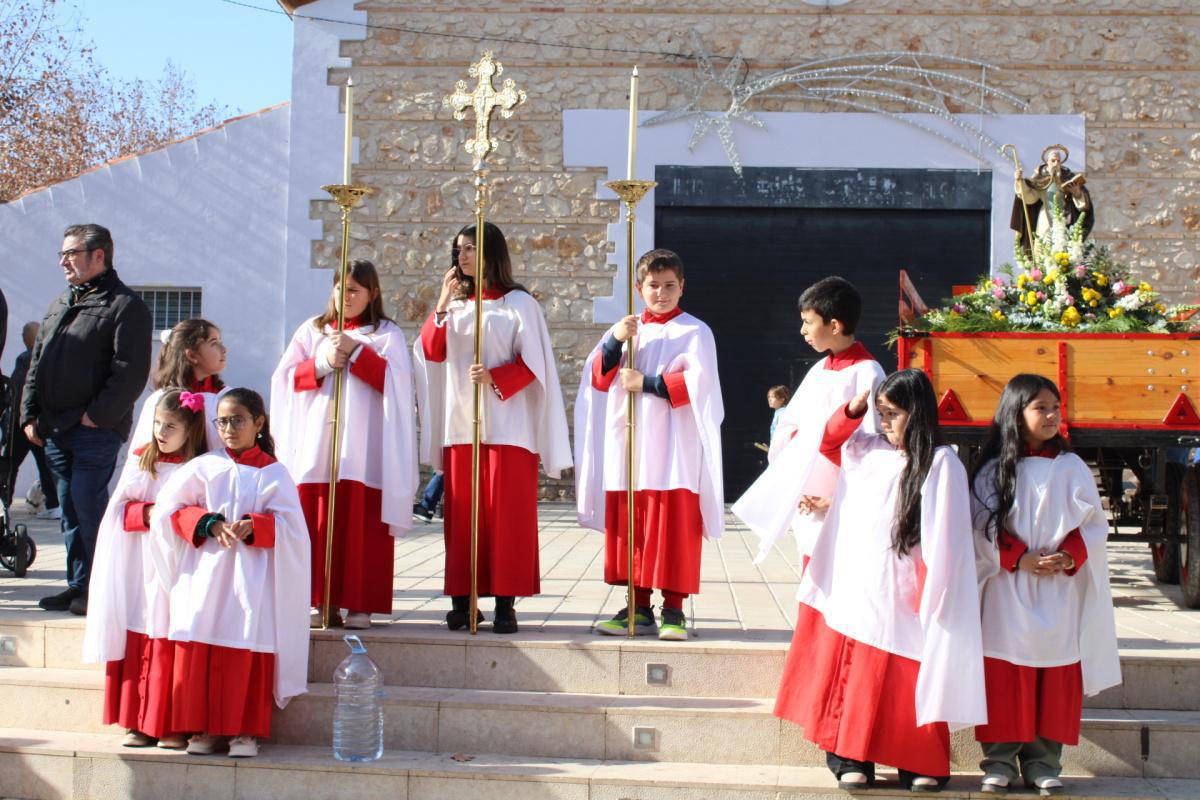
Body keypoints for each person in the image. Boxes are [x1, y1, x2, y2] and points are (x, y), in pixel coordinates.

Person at [774, 369, 986, 792]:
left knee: (911, 676)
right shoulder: (864, 450)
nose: (884, 422)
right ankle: (851, 758)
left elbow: (948, 535)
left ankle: (918, 760)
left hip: (910, 588)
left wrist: (936, 589)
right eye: (880, 412)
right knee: (855, 674)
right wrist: (854, 409)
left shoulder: (941, 462)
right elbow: (828, 441)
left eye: (893, 413)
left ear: (918, 413)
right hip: (859, 583)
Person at [412, 222, 572, 634]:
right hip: (462, 427)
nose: (462, 256)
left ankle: (505, 604)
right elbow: (431, 351)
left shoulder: (520, 304)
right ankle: (462, 602)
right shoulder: (456, 306)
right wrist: (444, 302)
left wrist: (497, 377)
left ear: (491, 253)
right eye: (458, 249)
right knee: (463, 517)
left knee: (507, 520)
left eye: (470, 249)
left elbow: (536, 364)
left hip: (509, 428)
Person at [969, 374, 1120, 796]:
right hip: (1007, 589)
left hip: (1058, 589)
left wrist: (1069, 554)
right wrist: (1018, 556)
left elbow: (1092, 524)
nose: (1052, 415)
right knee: (1005, 675)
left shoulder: (1071, 467)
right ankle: (998, 760)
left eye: (1056, 407)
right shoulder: (994, 470)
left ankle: (1043, 762)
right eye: (1040, 407)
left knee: (1052, 675)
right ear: (1015, 414)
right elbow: (979, 524)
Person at [149, 388, 309, 758]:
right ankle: (202, 729)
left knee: (244, 644)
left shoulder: (274, 473)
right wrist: (206, 522)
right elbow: (169, 511)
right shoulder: (204, 466)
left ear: (258, 422)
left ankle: (244, 732)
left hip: (250, 579)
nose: (228, 428)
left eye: (238, 420)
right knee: (198, 640)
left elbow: (294, 531)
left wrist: (256, 526)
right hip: (203, 574)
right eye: (222, 421)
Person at [574, 249, 724, 641]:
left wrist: (649, 383)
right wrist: (614, 343)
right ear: (640, 288)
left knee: (672, 525)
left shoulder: (696, 331)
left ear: (682, 286)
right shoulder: (626, 329)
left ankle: (673, 609)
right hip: (630, 444)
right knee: (634, 525)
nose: (661, 293)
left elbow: (701, 387)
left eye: (670, 285)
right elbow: (596, 377)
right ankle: (637, 607)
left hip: (674, 444)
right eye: (653, 286)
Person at [271, 260, 418, 631]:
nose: (345, 296)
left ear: (373, 294)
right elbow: (286, 378)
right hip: (318, 444)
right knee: (317, 521)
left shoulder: (386, 334)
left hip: (365, 448)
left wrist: (357, 352)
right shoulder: (313, 330)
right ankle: (318, 598)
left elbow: (398, 386)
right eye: (340, 288)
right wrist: (322, 361)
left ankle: (359, 602)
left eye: (354, 290)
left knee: (362, 523)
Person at [22, 224, 152, 616]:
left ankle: (99, 589)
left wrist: (98, 417)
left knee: (88, 507)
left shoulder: (125, 305)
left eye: (72, 252)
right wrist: (30, 414)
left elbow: (129, 371)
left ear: (100, 255)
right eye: (62, 253)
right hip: (54, 429)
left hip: (93, 432)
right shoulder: (61, 302)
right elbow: (36, 363)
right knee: (70, 511)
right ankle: (78, 584)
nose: (63, 260)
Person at [82, 389, 207, 750]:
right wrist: (147, 514)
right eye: (157, 425)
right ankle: (138, 720)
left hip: (179, 565)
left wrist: (176, 518)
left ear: (190, 430)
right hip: (140, 565)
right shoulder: (143, 462)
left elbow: (203, 513)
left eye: (170, 426)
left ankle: (171, 722)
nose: (161, 433)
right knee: (141, 634)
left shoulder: (198, 468)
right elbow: (119, 511)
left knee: (172, 637)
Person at [732, 277, 885, 569]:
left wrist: (836, 497)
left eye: (808, 322)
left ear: (835, 325)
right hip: (808, 495)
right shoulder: (819, 369)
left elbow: (870, 445)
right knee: (812, 571)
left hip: (840, 498)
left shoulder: (867, 373)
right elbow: (790, 427)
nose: (802, 330)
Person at [130, 319, 229, 452]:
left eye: (220, 342)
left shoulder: (227, 399)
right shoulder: (160, 400)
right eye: (214, 343)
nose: (224, 349)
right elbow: (143, 458)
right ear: (192, 355)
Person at [5, 322, 60, 518]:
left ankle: (4, 503)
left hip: (23, 422)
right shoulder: (50, 359)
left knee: (9, 464)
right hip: (41, 422)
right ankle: (54, 505)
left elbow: (17, 390)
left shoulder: (25, 359)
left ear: (26, 338)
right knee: (46, 465)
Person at [1010, 144, 1093, 256]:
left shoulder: (1067, 176)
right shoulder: (1040, 178)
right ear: (1047, 162)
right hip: (1046, 215)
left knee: (1065, 244)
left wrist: (1077, 192)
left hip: (1065, 216)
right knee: (1043, 243)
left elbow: (1082, 205)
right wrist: (1019, 181)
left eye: (1058, 161)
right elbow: (1030, 198)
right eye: (1053, 160)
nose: (1056, 163)